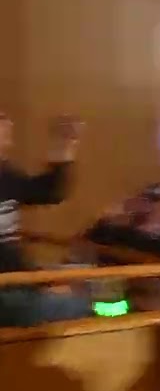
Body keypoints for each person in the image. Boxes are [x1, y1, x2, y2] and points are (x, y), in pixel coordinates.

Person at [0, 112, 83, 273]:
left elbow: (47, 193)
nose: (9, 144)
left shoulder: (6, 174)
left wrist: (63, 147)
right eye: (4, 137)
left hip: (15, 272)